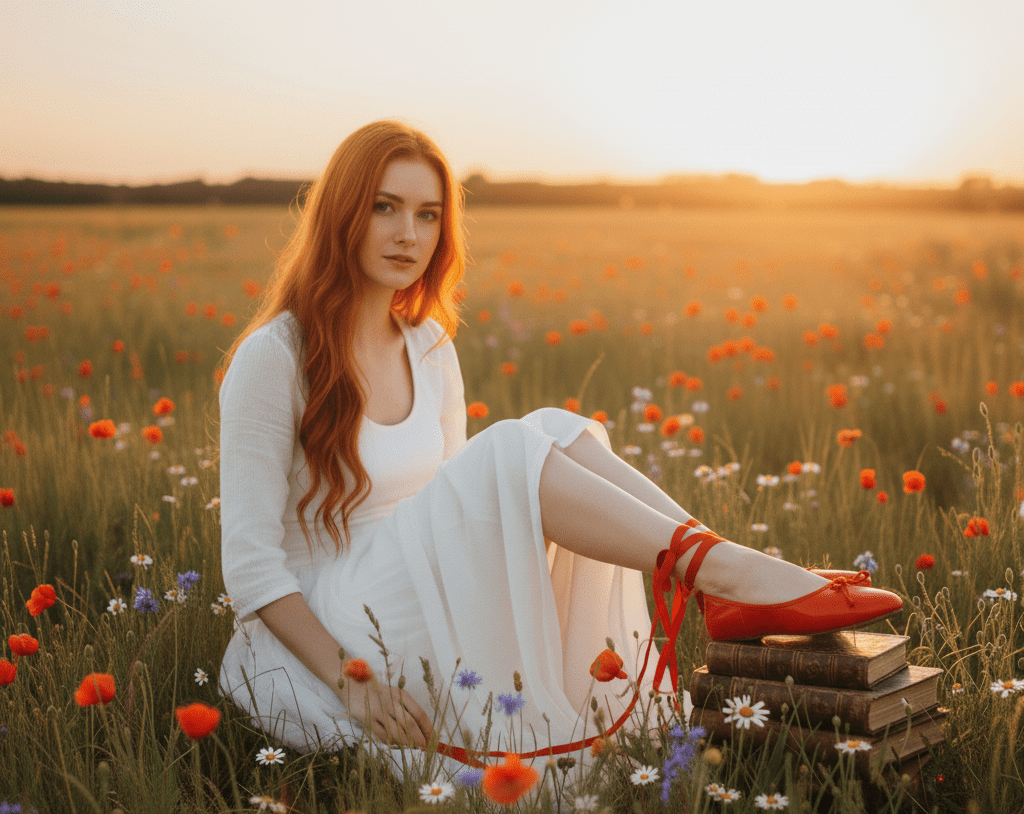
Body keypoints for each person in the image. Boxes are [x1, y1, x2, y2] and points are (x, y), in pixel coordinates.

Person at [216, 120, 902, 769]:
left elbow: (452, 505)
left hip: (408, 591)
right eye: (385, 208)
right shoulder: (274, 356)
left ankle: (720, 568)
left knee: (555, 427)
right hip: (332, 625)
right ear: (341, 215)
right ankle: (723, 577)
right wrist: (352, 682)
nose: (408, 233)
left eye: (428, 215)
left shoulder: (427, 347)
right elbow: (250, 570)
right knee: (516, 446)